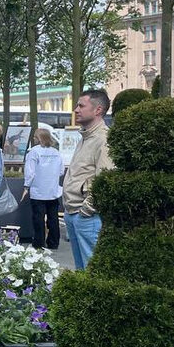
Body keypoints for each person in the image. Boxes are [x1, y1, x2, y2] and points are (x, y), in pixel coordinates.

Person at [62, 89, 113, 270]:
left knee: (91, 269)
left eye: (81, 106)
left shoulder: (103, 139)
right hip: (74, 212)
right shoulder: (85, 137)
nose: (76, 109)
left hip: (86, 216)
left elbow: (105, 179)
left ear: (98, 110)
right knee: (82, 270)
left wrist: (87, 209)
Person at [22, 128, 63, 250]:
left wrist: (26, 186)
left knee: (38, 218)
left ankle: (39, 242)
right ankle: (54, 242)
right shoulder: (56, 152)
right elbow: (61, 171)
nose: (33, 139)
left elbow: (30, 172)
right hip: (53, 190)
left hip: (38, 190)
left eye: (35, 137)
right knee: (53, 218)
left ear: (39, 138)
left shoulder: (33, 152)